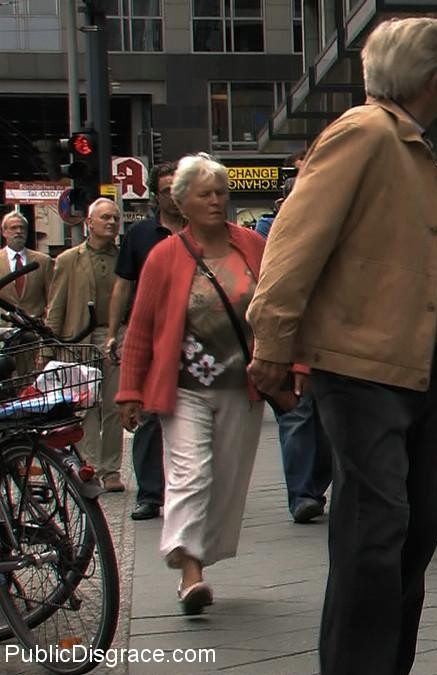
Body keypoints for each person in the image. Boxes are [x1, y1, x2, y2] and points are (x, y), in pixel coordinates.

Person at [245, 18, 437, 675]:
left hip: (414, 359)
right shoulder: (364, 133)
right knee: (376, 531)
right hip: (364, 364)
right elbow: (295, 242)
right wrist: (272, 340)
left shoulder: (409, 144)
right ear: (433, 81)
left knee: (415, 527)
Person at [116, 153, 275, 616]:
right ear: (182, 202)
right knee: (190, 475)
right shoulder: (165, 256)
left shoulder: (252, 246)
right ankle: (191, 575)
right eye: (205, 194)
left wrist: (294, 367)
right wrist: (129, 391)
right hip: (182, 387)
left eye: (221, 193)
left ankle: (199, 554)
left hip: (240, 385)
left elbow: (277, 310)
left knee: (224, 481)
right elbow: (141, 327)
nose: (216, 201)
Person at [254, 175, 332, 525]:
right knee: (299, 414)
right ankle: (302, 494)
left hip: (331, 340)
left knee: (329, 422)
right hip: (289, 341)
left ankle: (313, 487)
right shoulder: (272, 238)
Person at [110, 160, 182, 521]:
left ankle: (191, 491)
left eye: (177, 188)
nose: (173, 197)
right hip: (152, 333)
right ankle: (151, 493)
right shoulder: (140, 235)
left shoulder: (200, 230)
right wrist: (113, 333)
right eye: (167, 190)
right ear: (156, 195)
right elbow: (123, 284)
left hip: (194, 332)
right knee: (151, 414)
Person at [45, 198, 124, 492]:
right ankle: (89, 464)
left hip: (115, 337)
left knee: (115, 404)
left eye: (115, 218)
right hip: (79, 341)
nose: (112, 222)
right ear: (89, 222)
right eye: (105, 217)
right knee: (86, 407)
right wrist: (49, 348)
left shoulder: (124, 258)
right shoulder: (69, 260)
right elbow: (56, 306)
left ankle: (112, 469)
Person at [1, 209, 54, 320]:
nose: (19, 231)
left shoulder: (43, 261)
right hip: (4, 327)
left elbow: (52, 297)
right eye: (13, 228)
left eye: (22, 228)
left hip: (34, 327)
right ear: (4, 232)